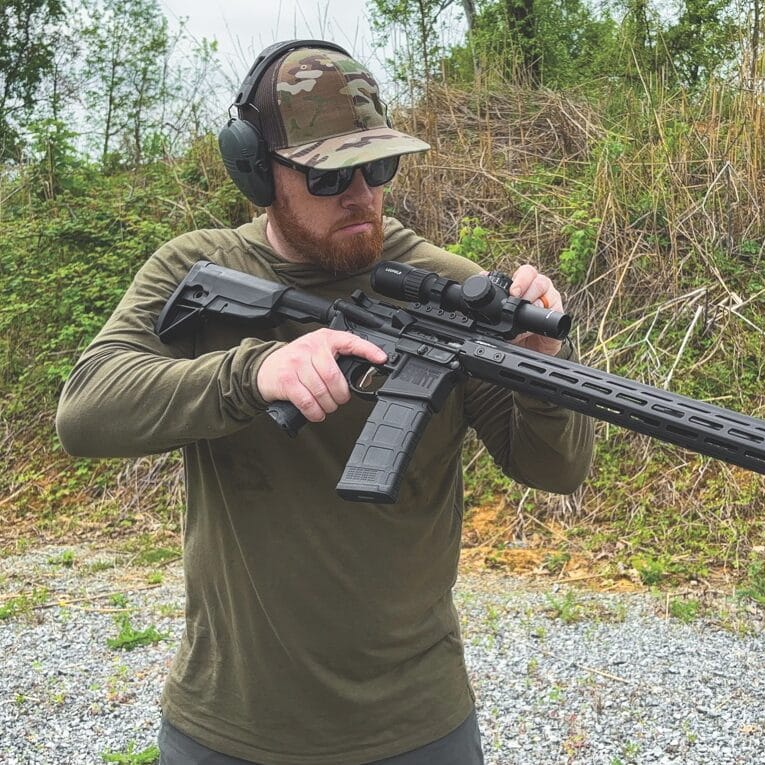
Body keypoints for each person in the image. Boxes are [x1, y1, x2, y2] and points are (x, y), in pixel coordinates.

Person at [55, 40, 594, 765]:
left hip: (416, 727)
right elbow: (86, 409)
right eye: (329, 173)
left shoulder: (452, 287)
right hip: (228, 725)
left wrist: (542, 376)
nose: (361, 195)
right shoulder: (198, 268)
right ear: (257, 170)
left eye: (378, 166)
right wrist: (253, 373)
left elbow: (552, 468)